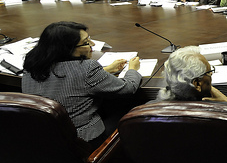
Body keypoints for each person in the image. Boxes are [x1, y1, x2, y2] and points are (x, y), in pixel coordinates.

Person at [22, 22, 142, 150]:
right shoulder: (86, 68)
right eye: (86, 42)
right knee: (131, 112)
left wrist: (106, 70)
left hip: (44, 140)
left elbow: (69, 81)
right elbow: (129, 87)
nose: (93, 44)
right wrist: (133, 70)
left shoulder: (31, 65)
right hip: (83, 142)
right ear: (68, 48)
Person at [152, 46, 227, 151]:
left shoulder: (148, 110)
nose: (211, 75)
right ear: (197, 83)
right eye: (209, 73)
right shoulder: (225, 114)